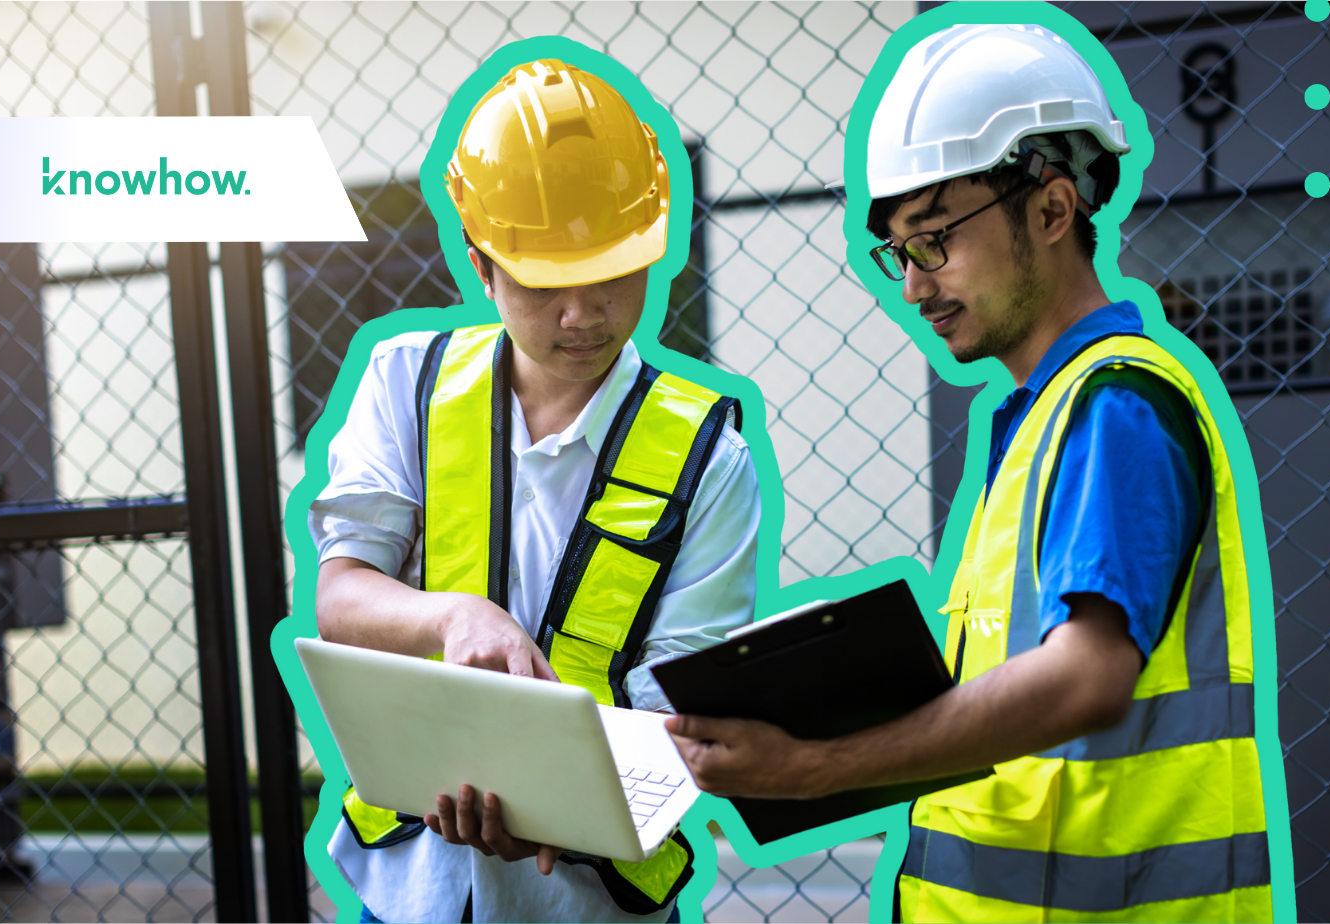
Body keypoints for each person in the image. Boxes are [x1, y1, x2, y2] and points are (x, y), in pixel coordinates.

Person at [665, 23, 1276, 923]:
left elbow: (1086, 678)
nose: (913, 286)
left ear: (1052, 210)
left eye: (934, 239)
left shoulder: (1116, 408)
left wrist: (815, 768)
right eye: (901, 253)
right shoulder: (1045, 413)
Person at [310, 57, 761, 924]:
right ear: (482, 265)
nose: (582, 315)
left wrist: (553, 807)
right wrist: (455, 617)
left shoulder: (710, 457)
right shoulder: (404, 382)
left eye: (614, 275)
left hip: (589, 900)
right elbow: (342, 597)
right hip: (408, 890)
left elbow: (679, 711)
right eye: (547, 284)